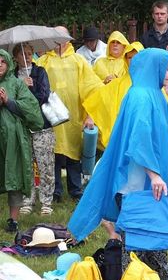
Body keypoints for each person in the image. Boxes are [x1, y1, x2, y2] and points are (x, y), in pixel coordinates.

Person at [69, 48, 168, 280]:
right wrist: (154, 174)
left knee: (149, 231)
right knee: (137, 235)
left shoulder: (152, 94)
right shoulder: (140, 96)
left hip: (145, 181)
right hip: (135, 182)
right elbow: (139, 139)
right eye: (166, 69)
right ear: (153, 67)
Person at [37, 26, 103, 202]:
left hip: (74, 115)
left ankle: (75, 189)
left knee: (74, 153)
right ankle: (55, 191)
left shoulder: (78, 60)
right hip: (51, 116)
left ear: (68, 39)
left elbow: (93, 88)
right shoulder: (43, 61)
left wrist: (90, 115)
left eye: (62, 36)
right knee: (53, 153)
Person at [0, 49, 43, 232]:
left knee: (14, 177)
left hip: (13, 141)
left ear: (8, 63)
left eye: (2, 61)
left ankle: (13, 220)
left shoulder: (17, 84)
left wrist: (8, 101)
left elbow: (32, 112)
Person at [13, 43, 56, 216]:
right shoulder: (13, 76)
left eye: (30, 53)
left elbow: (44, 96)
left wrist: (30, 88)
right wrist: (21, 85)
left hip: (42, 126)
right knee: (26, 165)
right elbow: (11, 99)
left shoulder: (40, 72)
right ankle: (27, 200)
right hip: (22, 127)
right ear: (16, 57)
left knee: (46, 164)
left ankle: (46, 202)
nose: (27, 57)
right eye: (23, 54)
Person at [83, 41, 144, 148]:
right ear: (125, 59)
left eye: (136, 57)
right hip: (121, 134)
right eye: (130, 57)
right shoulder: (118, 83)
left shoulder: (152, 84)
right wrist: (90, 116)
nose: (133, 60)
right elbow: (100, 97)